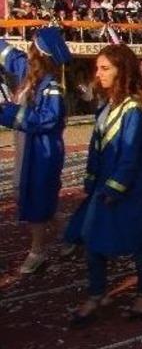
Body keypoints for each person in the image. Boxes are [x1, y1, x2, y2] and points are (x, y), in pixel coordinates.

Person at [71, 44, 142, 327]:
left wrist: (114, 188)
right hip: (103, 184)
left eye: (105, 68)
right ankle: (97, 294)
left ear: (123, 71)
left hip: (128, 187)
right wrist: (92, 179)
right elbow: (95, 147)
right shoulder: (106, 105)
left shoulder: (135, 108)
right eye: (98, 68)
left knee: (138, 240)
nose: (99, 74)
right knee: (92, 239)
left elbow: (130, 154)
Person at [0, 27, 71, 274]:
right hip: (27, 144)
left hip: (43, 149)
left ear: (39, 53)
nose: (27, 50)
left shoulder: (52, 85)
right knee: (26, 193)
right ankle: (70, 232)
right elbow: (9, 54)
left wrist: (7, 113)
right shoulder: (27, 72)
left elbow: (47, 119)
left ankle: (38, 251)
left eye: (31, 46)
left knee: (36, 195)